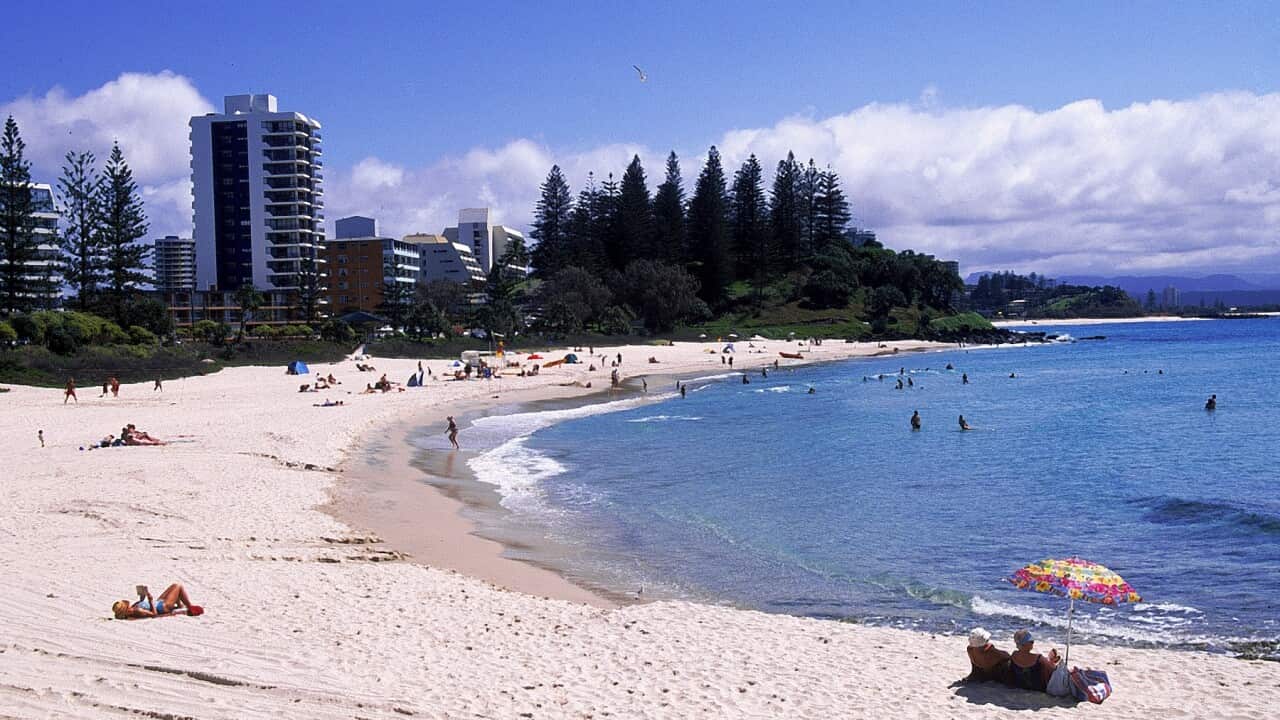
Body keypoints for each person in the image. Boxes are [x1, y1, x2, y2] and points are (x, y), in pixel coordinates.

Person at [112, 583, 197, 619]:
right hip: (162, 607)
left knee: (174, 587)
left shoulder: (132, 609)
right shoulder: (137, 610)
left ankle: (179, 605)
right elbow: (154, 614)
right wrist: (150, 600)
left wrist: (142, 596)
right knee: (178, 586)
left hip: (159, 603)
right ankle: (190, 606)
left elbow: (143, 604)